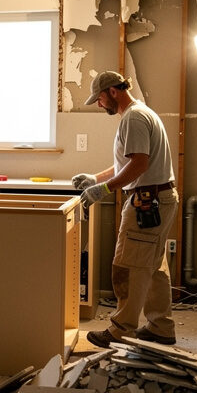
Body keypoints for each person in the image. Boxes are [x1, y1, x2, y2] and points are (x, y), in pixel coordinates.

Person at [73, 71, 178, 348]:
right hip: (157, 198)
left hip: (147, 201)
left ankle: (120, 331)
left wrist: (104, 190)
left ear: (113, 92)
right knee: (153, 267)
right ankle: (161, 327)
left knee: (127, 266)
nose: (99, 104)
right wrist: (96, 179)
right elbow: (127, 165)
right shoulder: (139, 113)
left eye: (99, 99)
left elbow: (139, 165)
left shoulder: (133, 118)